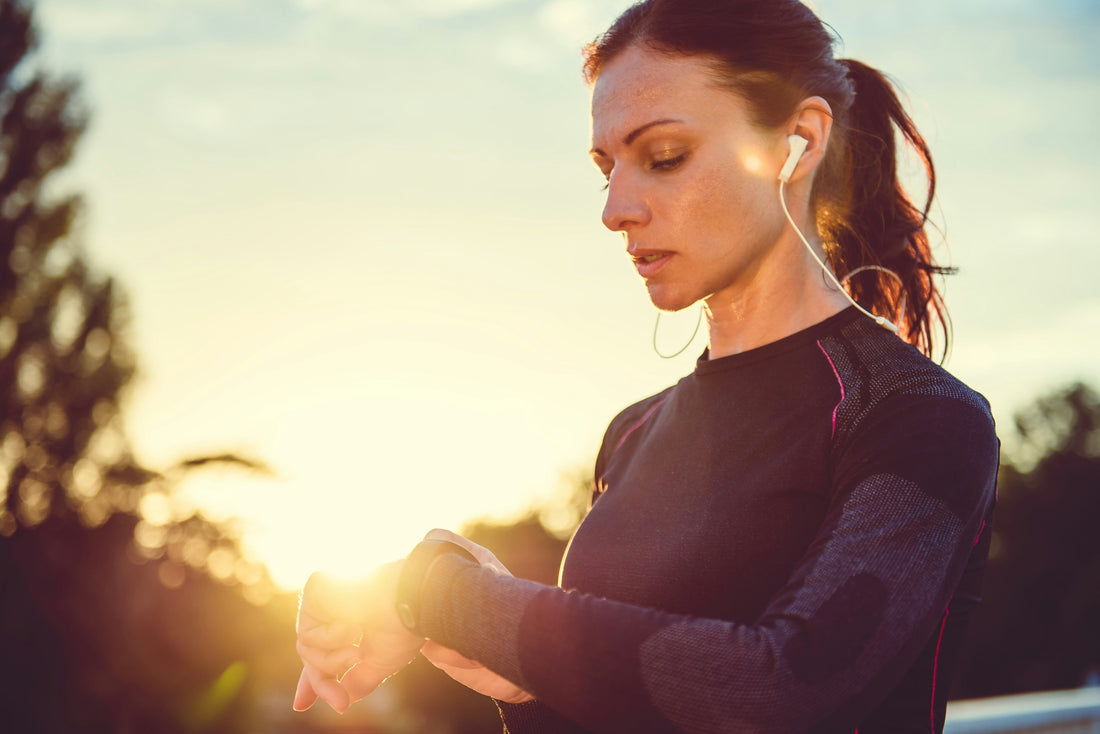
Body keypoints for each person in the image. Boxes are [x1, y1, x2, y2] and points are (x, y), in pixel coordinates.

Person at [292, 0, 999, 731]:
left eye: (664, 157)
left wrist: (443, 595)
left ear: (800, 141)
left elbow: (781, 688)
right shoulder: (632, 432)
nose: (616, 209)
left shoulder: (916, 416)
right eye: (607, 168)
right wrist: (518, 684)